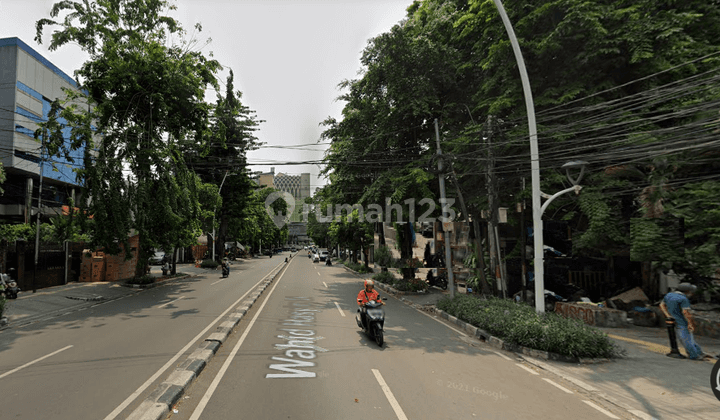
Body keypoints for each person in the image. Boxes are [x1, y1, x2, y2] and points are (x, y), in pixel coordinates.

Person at [660, 282, 713, 361]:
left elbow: (661, 305)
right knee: (686, 338)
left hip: (674, 318)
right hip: (682, 321)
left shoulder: (669, 295)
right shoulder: (683, 299)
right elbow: (686, 313)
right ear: (687, 291)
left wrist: (668, 315)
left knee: (689, 337)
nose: (691, 293)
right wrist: (690, 323)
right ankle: (694, 355)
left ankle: (699, 352)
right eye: (690, 291)